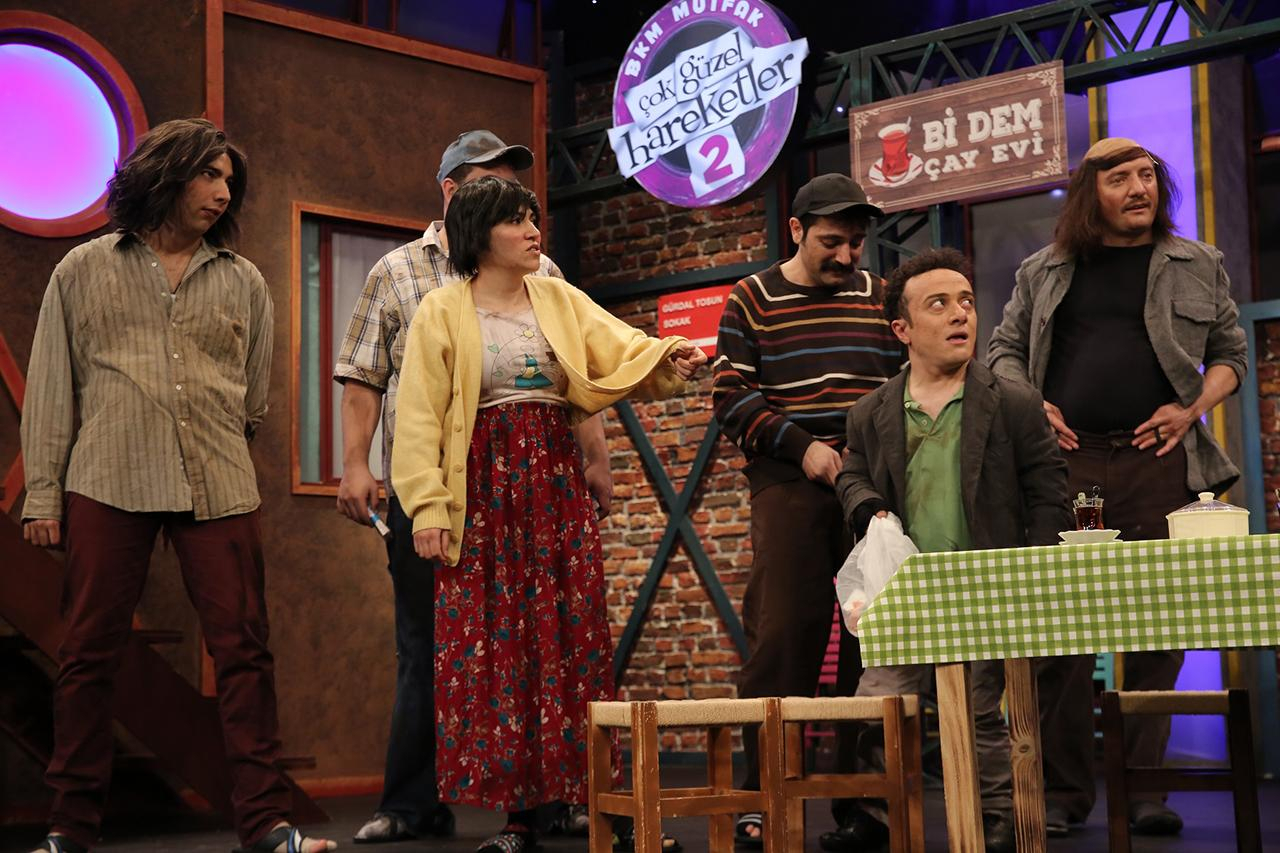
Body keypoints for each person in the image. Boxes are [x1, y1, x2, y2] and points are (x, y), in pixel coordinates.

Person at [20, 119, 335, 853]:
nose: (223, 193)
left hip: (217, 481)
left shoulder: (243, 280)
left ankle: (266, 824)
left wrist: (212, 434)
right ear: (164, 174)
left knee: (244, 651)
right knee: (87, 653)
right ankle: (70, 828)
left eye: (229, 181)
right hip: (108, 475)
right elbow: (52, 389)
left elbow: (252, 398)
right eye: (209, 175)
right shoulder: (82, 270)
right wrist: (42, 495)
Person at [391, 175, 706, 853]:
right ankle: (519, 817)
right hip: (484, 492)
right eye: (516, 221)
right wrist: (427, 507)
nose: (534, 232)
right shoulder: (442, 311)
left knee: (574, 640)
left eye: (534, 218)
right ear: (481, 235)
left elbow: (619, 347)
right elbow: (417, 417)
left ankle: (607, 809)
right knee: (501, 649)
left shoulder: (558, 297)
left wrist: (669, 354)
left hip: (554, 487)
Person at [333, 130, 612, 844]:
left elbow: (575, 372)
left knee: (545, 634)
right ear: (454, 191)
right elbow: (364, 376)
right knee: (428, 642)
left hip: (530, 484)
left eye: (519, 191)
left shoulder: (542, 271)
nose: (518, 206)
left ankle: (554, 795)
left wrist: (595, 457)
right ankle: (412, 802)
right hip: (436, 484)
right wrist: (358, 465)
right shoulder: (399, 271)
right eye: (496, 186)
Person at [987, 137, 1248, 837]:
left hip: (1158, 461)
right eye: (1121, 178)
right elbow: (1003, 351)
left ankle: (1146, 789)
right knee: (1062, 630)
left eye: (1148, 176)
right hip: (1065, 464)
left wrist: (1191, 408)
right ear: (1089, 194)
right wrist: (1031, 404)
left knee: (1159, 626)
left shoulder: (1198, 262)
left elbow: (1230, 354)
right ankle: (1064, 794)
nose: (1140, 188)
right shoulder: (1043, 270)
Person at [835, 247, 1072, 853]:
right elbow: (852, 472)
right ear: (903, 329)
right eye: (937, 304)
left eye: (965, 301)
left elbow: (1048, 492)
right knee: (880, 706)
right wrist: (868, 505)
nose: (959, 313)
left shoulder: (1012, 402)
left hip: (985, 586)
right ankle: (875, 816)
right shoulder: (872, 411)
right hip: (905, 589)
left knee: (981, 712)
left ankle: (997, 821)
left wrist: (1035, 574)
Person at [711, 173, 902, 850]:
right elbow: (730, 396)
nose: (846, 256)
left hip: (871, 481)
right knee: (784, 638)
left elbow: (905, 382)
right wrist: (803, 447)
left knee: (872, 645)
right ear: (795, 230)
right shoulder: (752, 298)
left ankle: (861, 805)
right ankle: (760, 799)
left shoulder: (880, 296)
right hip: (789, 478)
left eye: (855, 243)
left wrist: (866, 454)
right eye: (831, 242)